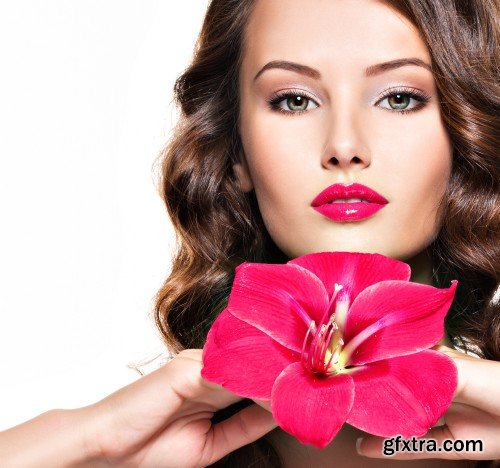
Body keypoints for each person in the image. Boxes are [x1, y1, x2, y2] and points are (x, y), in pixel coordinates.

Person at [0, 0, 498, 466]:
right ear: (235, 152)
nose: (344, 146)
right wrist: (92, 441)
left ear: (468, 133)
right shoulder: (151, 440)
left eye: (400, 97)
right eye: (295, 100)